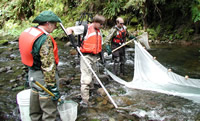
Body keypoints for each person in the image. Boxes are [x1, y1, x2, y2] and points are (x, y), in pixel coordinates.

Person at [18, 10, 61, 121]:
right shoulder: (44, 39)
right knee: (49, 110)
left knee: (35, 108)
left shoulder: (28, 32)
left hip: (32, 74)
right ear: (47, 23)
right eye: (54, 24)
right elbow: (48, 65)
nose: (55, 27)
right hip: (43, 77)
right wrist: (52, 87)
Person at [66, 14, 105, 106]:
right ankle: (85, 101)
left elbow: (99, 44)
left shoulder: (99, 31)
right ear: (95, 22)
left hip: (95, 56)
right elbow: (69, 30)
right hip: (86, 56)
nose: (102, 26)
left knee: (93, 75)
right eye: (101, 24)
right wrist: (74, 43)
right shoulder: (85, 28)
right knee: (86, 79)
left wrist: (102, 56)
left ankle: (90, 93)